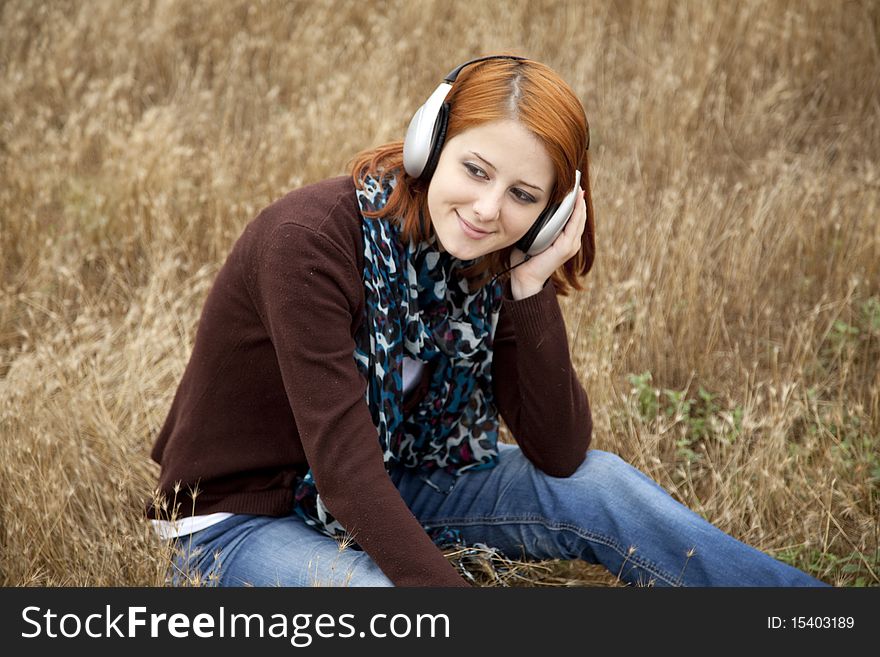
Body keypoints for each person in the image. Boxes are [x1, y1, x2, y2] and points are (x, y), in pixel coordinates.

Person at [148, 55, 828, 587]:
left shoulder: (487, 260)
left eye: (522, 195)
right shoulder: (308, 242)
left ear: (551, 213)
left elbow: (558, 453)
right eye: (476, 169)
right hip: (241, 519)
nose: (487, 208)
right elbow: (344, 472)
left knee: (601, 482)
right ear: (430, 143)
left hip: (397, 475)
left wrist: (528, 288)